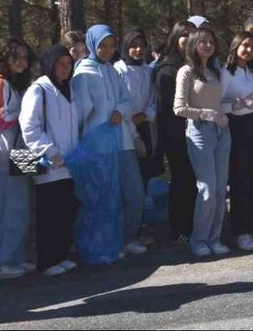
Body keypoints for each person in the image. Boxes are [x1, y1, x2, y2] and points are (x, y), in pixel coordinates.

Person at [73, 24, 147, 256]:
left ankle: (127, 237)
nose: (107, 50)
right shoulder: (83, 71)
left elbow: (126, 100)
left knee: (134, 193)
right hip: (98, 144)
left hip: (122, 140)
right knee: (104, 195)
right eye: (102, 46)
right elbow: (81, 110)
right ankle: (105, 242)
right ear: (92, 45)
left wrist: (120, 112)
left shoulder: (113, 70)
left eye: (111, 46)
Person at [20, 45, 80, 276]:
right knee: (49, 213)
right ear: (50, 65)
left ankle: (61, 254)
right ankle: (47, 260)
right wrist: (50, 152)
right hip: (49, 163)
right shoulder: (39, 90)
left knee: (65, 210)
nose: (65, 68)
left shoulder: (68, 88)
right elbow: (29, 127)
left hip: (68, 162)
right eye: (60, 64)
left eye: (68, 63)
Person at [0, 37, 35, 280]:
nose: (22, 62)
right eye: (16, 57)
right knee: (7, 209)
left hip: (19, 151)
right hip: (5, 154)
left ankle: (15, 258)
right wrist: (25, 117)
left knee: (21, 207)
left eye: (25, 57)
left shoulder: (10, 83)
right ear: (4, 58)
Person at [173, 27, 232, 257]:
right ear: (194, 45)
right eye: (203, 42)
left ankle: (214, 238)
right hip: (199, 132)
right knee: (206, 189)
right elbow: (178, 108)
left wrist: (235, 105)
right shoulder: (186, 71)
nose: (208, 45)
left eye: (211, 41)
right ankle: (198, 240)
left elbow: (221, 101)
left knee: (219, 189)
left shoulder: (216, 71)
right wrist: (207, 114)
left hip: (222, 131)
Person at [154, 21, 197, 244]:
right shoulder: (167, 69)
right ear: (175, 38)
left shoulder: (196, 63)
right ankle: (179, 228)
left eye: (193, 35)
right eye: (184, 35)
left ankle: (193, 225)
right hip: (177, 135)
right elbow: (167, 111)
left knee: (194, 182)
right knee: (182, 181)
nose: (189, 39)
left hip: (198, 134)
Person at [222, 32, 253, 253]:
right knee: (240, 180)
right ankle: (240, 231)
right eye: (245, 46)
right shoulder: (226, 73)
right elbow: (217, 104)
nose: (248, 50)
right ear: (236, 45)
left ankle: (249, 222)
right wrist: (235, 105)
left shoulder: (250, 72)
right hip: (235, 128)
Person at [115, 29, 160, 188]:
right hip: (125, 125)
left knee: (146, 170)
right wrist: (130, 118)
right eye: (134, 46)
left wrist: (146, 115)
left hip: (146, 125)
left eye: (142, 46)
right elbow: (116, 99)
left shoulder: (149, 71)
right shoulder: (118, 70)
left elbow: (155, 99)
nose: (139, 50)